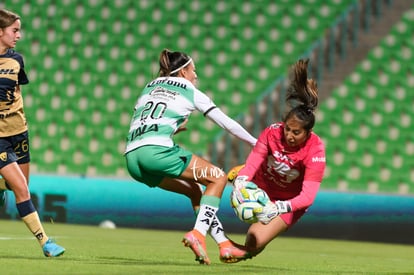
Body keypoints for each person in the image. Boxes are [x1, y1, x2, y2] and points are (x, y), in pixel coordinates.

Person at [125, 49, 257, 265]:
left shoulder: (149, 86)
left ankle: (224, 244)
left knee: (194, 190)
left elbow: (143, 121)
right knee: (218, 178)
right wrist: (256, 142)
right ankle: (197, 234)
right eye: (193, 70)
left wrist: (174, 129)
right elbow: (227, 123)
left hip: (133, 157)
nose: (196, 75)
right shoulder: (188, 89)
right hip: (157, 152)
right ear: (184, 71)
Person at [228, 59, 326, 262]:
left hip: (290, 201)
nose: (289, 135)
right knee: (240, 197)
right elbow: (255, 158)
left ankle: (244, 251)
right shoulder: (272, 132)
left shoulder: (315, 150)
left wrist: (281, 207)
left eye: (296, 132)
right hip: (263, 189)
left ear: (308, 133)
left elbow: (307, 196)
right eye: (287, 129)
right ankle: (236, 250)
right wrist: (243, 179)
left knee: (254, 240)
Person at [0, 8, 65, 257]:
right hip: (0, 139)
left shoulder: (17, 60)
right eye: (14, 30)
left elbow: (17, 90)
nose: (19, 35)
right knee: (22, 191)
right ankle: (45, 242)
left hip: (20, 132)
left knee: (21, 185)